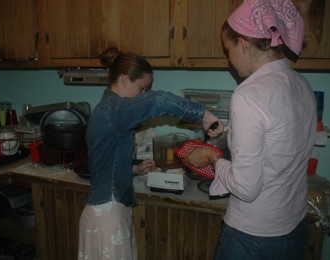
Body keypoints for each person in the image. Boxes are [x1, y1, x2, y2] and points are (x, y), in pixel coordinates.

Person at [185, 0, 317, 259]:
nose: (229, 61)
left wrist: (213, 157)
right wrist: (228, 135)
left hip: (254, 235)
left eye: (228, 50)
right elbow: (276, 146)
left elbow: (246, 188)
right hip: (293, 227)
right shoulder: (301, 84)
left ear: (243, 44)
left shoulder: (249, 94)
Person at [78, 47, 223, 260]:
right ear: (125, 80)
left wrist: (134, 169)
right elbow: (157, 100)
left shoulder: (106, 109)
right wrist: (203, 114)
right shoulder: (115, 111)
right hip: (108, 217)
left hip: (104, 211)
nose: (143, 95)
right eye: (142, 88)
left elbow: (103, 162)